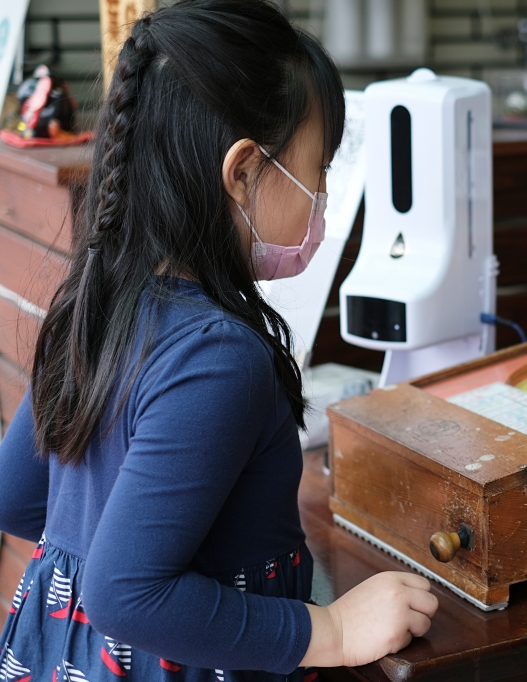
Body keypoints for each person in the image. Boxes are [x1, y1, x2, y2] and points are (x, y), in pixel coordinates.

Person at [0, 1, 438, 679]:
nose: (322, 195)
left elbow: (20, 499)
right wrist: (333, 630)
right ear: (242, 172)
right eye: (317, 169)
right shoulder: (217, 358)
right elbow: (125, 593)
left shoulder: (97, 303)